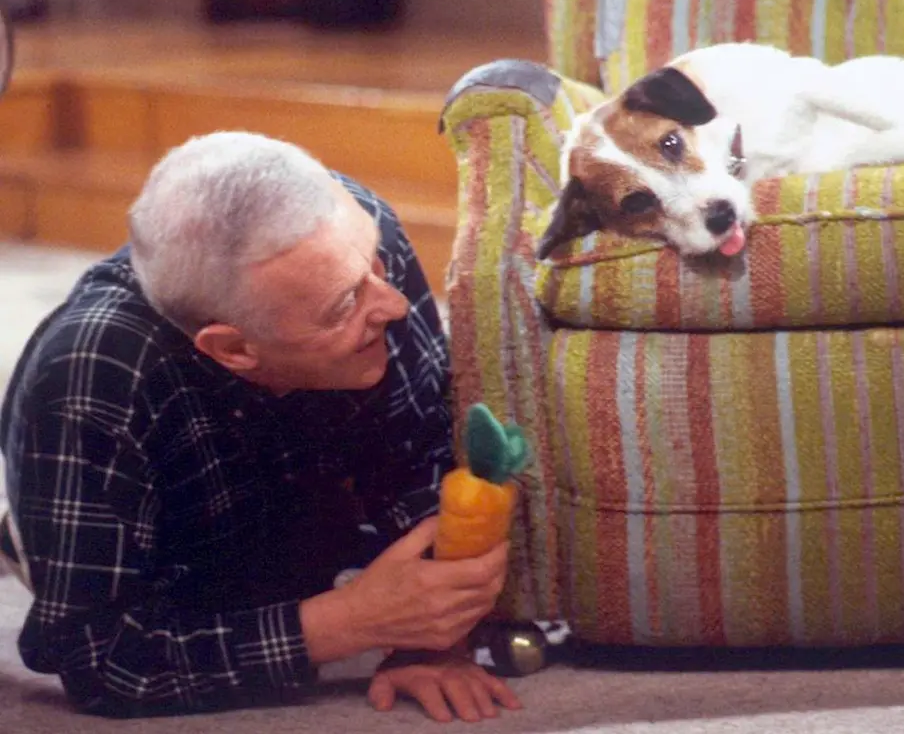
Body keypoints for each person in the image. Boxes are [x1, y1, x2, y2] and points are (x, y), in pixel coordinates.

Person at [0, 130, 522, 723]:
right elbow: (100, 659)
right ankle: (31, 529)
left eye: (375, 261)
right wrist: (350, 623)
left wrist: (431, 633)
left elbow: (425, 448)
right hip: (188, 565)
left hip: (324, 502)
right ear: (232, 348)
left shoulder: (345, 238)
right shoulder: (92, 379)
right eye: (344, 305)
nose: (394, 305)